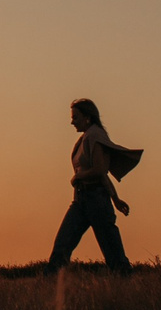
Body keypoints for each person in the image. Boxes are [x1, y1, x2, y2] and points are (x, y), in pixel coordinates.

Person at [47, 97, 137, 273]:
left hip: (96, 200)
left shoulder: (95, 135)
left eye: (75, 117)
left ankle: (125, 281)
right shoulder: (86, 137)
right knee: (62, 245)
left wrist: (78, 177)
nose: (72, 121)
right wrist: (116, 198)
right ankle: (51, 283)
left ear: (87, 117)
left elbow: (100, 170)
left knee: (112, 251)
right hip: (82, 199)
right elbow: (102, 174)